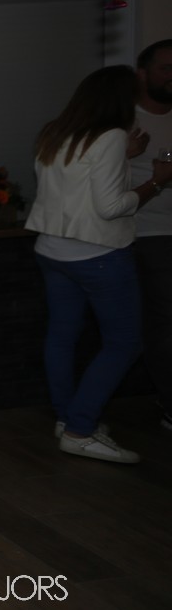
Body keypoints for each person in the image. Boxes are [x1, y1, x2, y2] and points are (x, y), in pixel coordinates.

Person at [25, 66, 172, 463]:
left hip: (52, 250)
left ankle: (67, 418)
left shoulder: (55, 132)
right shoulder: (110, 136)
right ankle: (80, 429)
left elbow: (75, 181)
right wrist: (157, 181)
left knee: (62, 337)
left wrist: (124, 156)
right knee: (124, 343)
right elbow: (110, 207)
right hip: (97, 254)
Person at [129, 39, 172, 431]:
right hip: (151, 233)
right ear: (143, 74)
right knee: (165, 320)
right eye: (166, 68)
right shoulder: (124, 120)